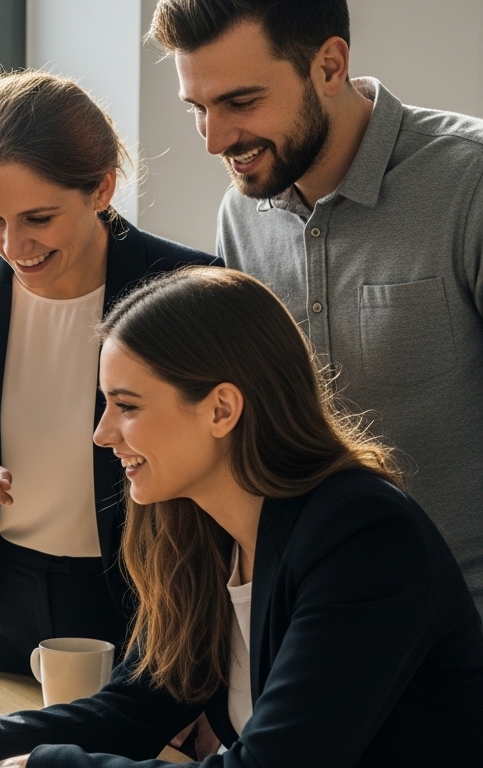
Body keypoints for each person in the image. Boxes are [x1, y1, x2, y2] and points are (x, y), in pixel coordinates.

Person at [0, 267, 483, 767]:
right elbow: (136, 705)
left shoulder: (362, 536)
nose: (101, 434)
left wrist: (44, 767)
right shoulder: (197, 529)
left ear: (221, 409)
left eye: (126, 406)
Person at [149, 0, 483, 618]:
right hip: (308, 622)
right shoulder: (240, 213)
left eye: (241, 102)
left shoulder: (471, 184)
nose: (216, 140)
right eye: (198, 108)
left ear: (329, 66)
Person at [0, 70, 216, 676]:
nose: (12, 243)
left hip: (141, 603)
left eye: (38, 217)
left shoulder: (187, 286)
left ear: (102, 188)